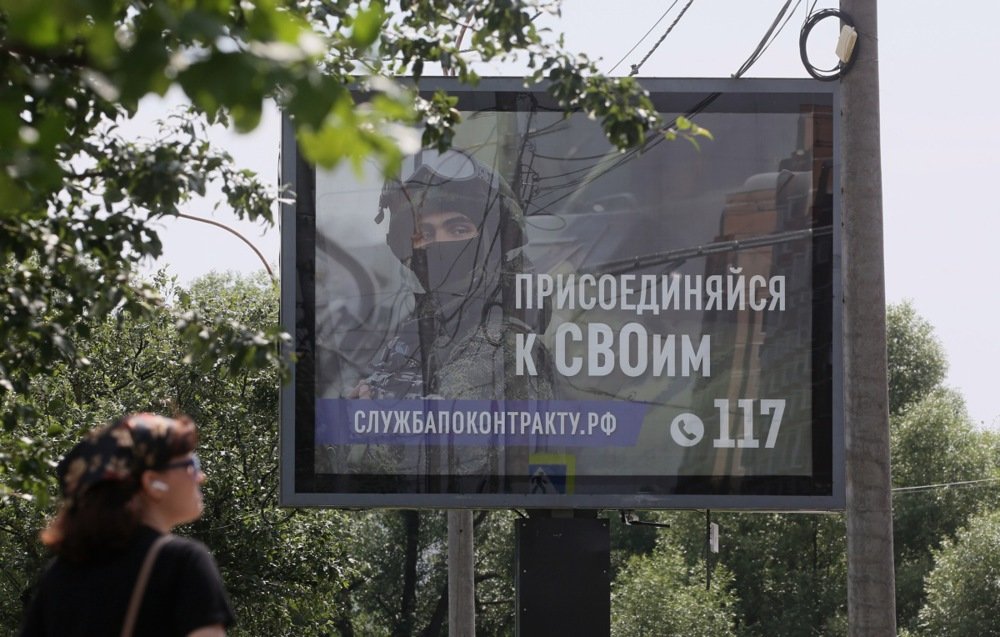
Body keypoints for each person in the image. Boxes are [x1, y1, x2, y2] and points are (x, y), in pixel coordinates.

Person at [350, 148, 552, 402]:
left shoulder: (501, 346)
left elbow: (441, 432)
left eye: (457, 229)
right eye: (424, 233)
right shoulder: (420, 332)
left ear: (491, 243)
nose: (439, 245)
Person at [19, 413, 234, 637]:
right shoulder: (181, 562)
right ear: (152, 482)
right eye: (191, 464)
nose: (201, 476)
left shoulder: (59, 575)